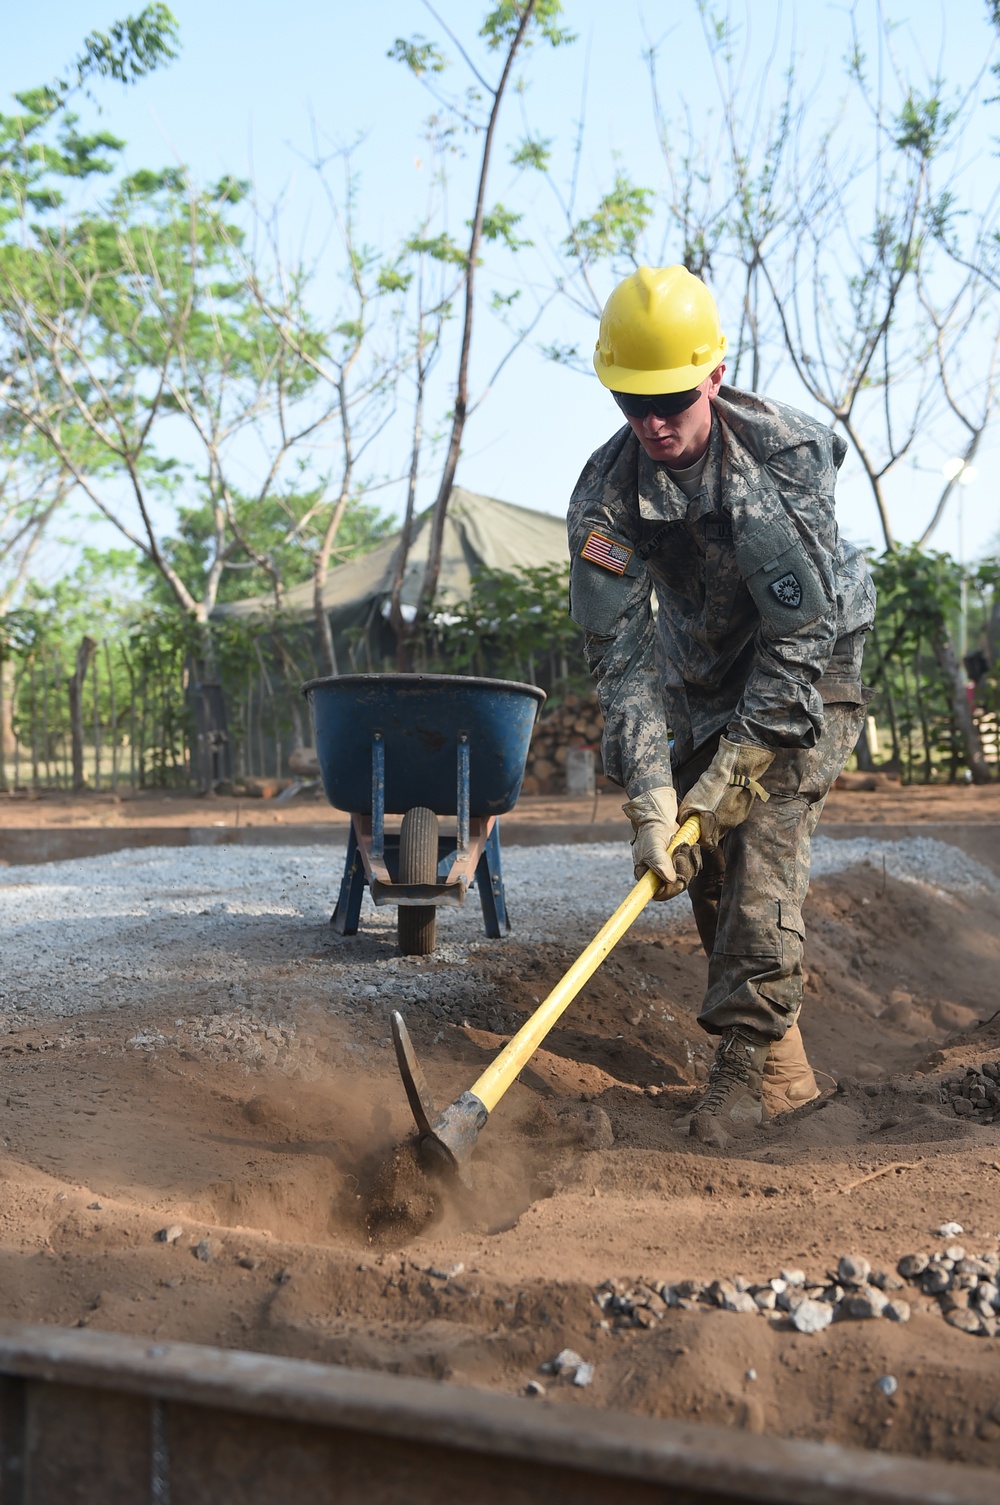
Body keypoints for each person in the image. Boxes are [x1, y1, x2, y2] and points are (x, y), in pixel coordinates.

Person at [567, 264, 875, 1148]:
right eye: (633, 402)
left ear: (713, 374)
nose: (655, 422)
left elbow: (798, 634)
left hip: (810, 659)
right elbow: (620, 657)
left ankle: (741, 1070)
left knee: (764, 833)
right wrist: (655, 800)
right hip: (700, 671)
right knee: (700, 854)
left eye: (672, 398)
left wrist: (738, 769)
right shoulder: (604, 498)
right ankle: (783, 1066)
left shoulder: (787, 456)